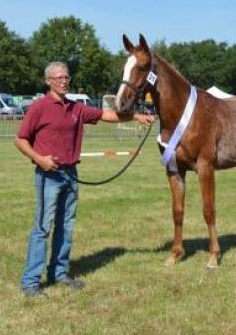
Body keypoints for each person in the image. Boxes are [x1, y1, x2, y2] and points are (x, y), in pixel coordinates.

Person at [15, 61, 154, 298]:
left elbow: (107, 114)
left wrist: (135, 117)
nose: (64, 81)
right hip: (49, 174)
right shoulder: (39, 107)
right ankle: (30, 283)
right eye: (58, 78)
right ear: (48, 81)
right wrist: (40, 159)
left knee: (66, 227)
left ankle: (59, 274)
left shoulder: (76, 108)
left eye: (66, 77)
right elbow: (20, 140)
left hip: (71, 175)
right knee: (42, 228)